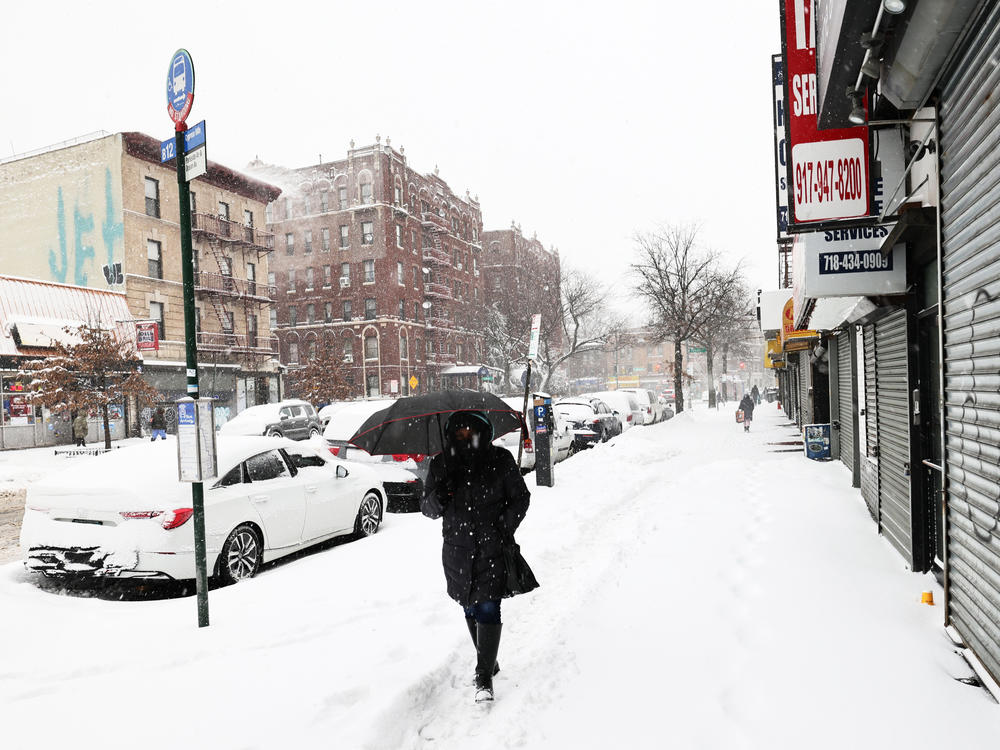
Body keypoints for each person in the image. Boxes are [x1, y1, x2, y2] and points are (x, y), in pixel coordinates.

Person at [421, 410, 532, 703]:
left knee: (487, 609)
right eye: (458, 432)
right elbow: (428, 509)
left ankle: (483, 676)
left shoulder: (500, 461)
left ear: (482, 432)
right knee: (469, 606)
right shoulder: (442, 464)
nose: (464, 436)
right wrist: (440, 494)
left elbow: (521, 498)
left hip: (491, 548)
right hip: (457, 552)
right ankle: (489, 659)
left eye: (470, 431)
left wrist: (502, 527)